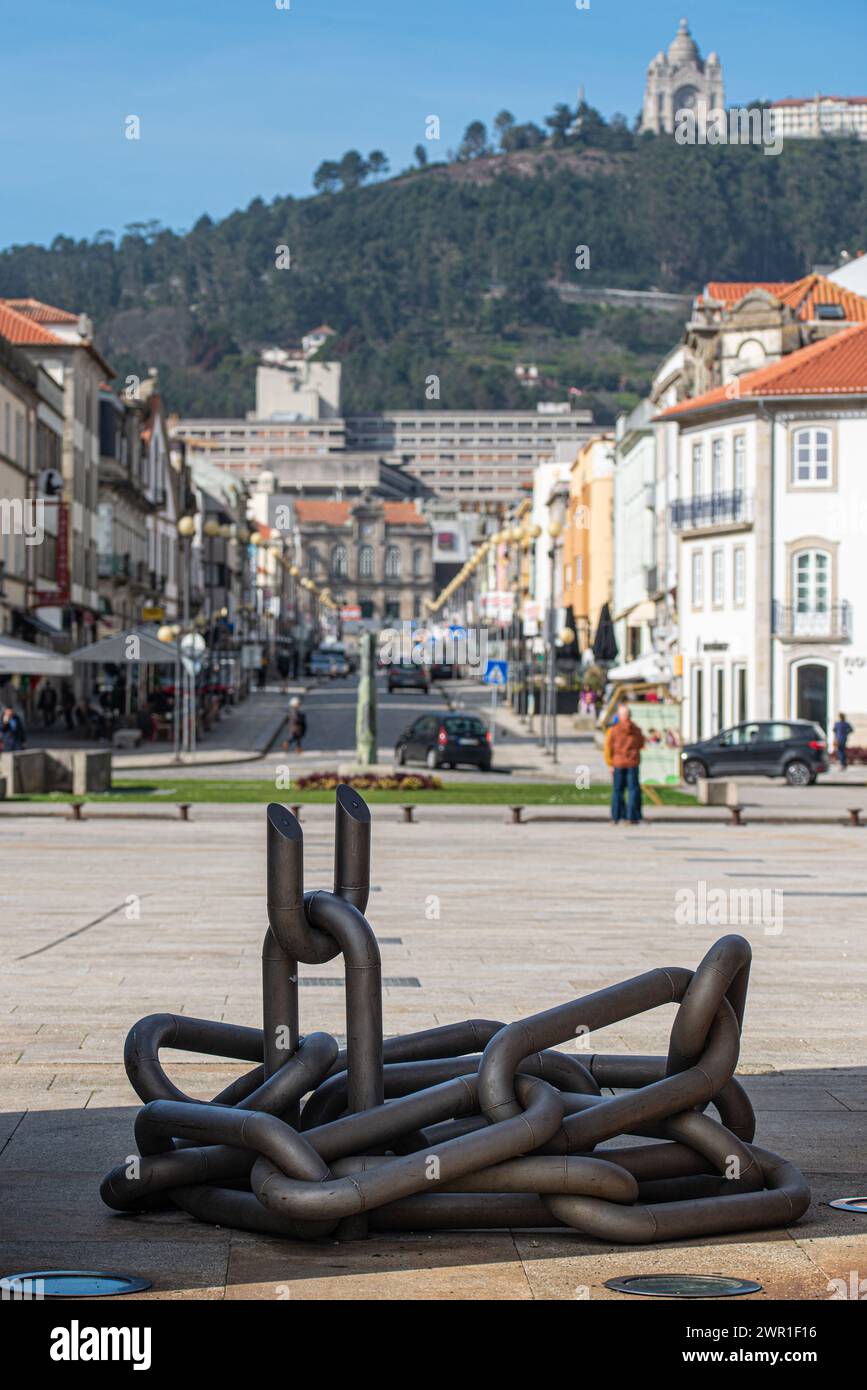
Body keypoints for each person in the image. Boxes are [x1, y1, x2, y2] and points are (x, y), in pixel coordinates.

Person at [607, 701, 645, 825]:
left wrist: (610, 763)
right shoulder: (636, 729)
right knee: (633, 790)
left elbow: (609, 747)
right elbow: (641, 744)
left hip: (618, 763)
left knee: (617, 791)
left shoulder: (614, 730)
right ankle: (631, 817)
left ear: (620, 715)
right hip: (632, 763)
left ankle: (616, 817)